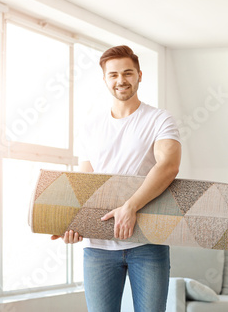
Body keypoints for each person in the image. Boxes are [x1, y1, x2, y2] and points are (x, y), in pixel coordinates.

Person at [51, 45, 181, 312]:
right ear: (105, 79)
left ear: (139, 75)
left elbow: (168, 166)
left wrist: (130, 206)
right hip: (98, 248)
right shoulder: (90, 127)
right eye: (113, 75)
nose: (121, 80)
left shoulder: (159, 119)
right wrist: (73, 222)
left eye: (127, 73)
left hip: (147, 243)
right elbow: (85, 184)